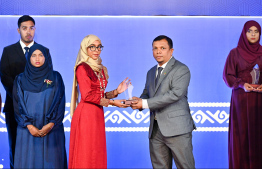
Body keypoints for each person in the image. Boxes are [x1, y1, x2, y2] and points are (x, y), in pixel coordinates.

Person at [131, 35, 196, 169]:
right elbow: (147, 93)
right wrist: (136, 100)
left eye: (162, 48)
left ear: (171, 51)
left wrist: (144, 103)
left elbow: (174, 95)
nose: (158, 52)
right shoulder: (150, 72)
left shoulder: (181, 69)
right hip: (155, 130)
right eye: (155, 48)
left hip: (177, 129)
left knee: (185, 166)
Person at [69, 34, 130, 168]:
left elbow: (99, 94)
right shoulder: (82, 68)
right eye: (92, 47)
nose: (96, 50)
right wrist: (114, 103)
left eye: (99, 47)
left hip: (97, 113)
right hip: (86, 115)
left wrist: (116, 92)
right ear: (85, 48)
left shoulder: (101, 68)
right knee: (86, 152)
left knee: (96, 151)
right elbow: (87, 96)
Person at [0, 15, 50, 169]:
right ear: (18, 30)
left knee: (38, 150)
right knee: (15, 148)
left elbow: (49, 78)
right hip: (14, 109)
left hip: (39, 110)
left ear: (35, 30)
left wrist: (36, 100)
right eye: (24, 28)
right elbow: (5, 77)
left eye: (31, 28)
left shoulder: (44, 51)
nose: (28, 31)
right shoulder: (8, 51)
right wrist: (22, 98)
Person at [12, 44, 67, 168]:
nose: (37, 59)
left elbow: (60, 102)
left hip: (51, 130)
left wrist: (51, 123)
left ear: (46, 57)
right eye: (33, 55)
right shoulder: (20, 79)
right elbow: (17, 104)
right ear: (28, 58)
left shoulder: (56, 77)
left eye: (41, 55)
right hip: (27, 130)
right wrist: (29, 125)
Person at [223, 20, 262, 168]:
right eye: (249, 31)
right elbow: (228, 76)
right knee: (242, 136)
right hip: (241, 100)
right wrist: (241, 84)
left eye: (256, 31)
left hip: (260, 100)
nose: (253, 34)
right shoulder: (235, 53)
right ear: (244, 33)